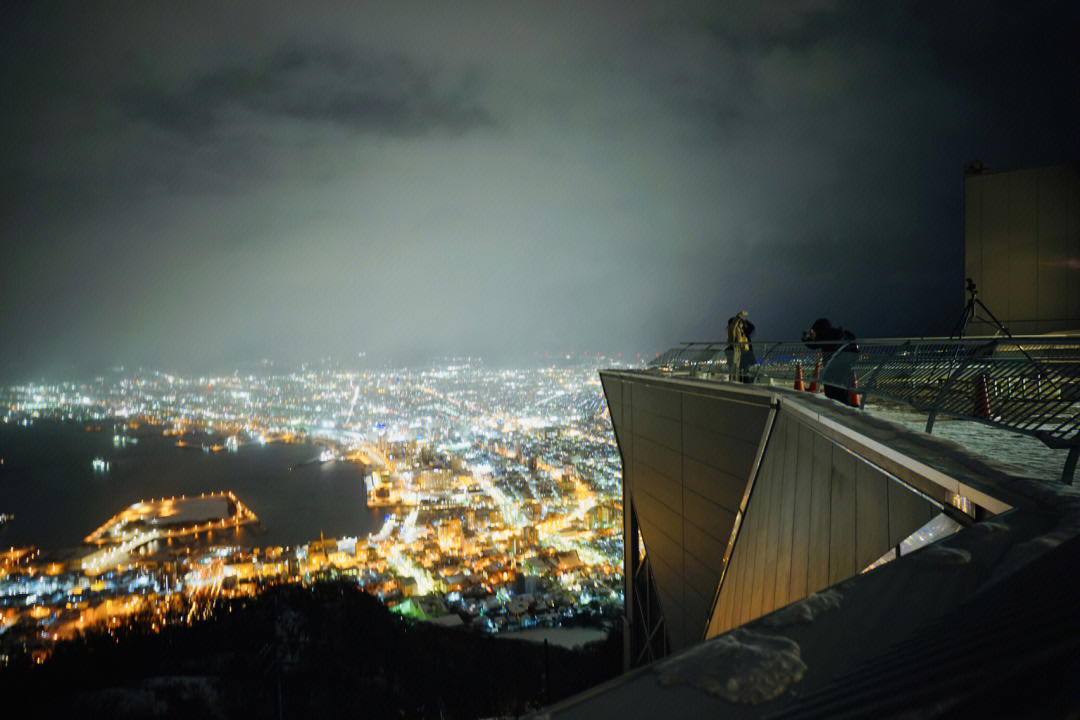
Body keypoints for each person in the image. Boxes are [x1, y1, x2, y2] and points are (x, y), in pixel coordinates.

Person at [803, 318, 857, 404]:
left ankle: (837, 415)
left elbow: (814, 345)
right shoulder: (841, 335)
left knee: (833, 400)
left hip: (832, 371)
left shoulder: (828, 338)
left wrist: (807, 338)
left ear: (822, 330)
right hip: (844, 370)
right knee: (842, 398)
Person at [726, 310, 756, 383]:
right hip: (734, 351)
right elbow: (733, 325)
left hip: (741, 352)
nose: (740, 323)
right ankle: (734, 386)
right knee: (735, 371)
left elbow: (751, 327)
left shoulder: (741, 331)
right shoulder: (731, 329)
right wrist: (738, 316)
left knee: (742, 371)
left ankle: (741, 385)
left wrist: (744, 320)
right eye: (738, 322)